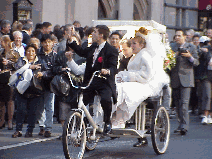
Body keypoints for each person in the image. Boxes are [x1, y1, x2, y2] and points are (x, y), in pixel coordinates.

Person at [112, 27, 170, 147]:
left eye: (134, 43)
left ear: (142, 45)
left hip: (144, 84)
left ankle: (121, 119)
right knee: (117, 86)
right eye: (131, 43)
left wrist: (129, 76)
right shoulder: (135, 56)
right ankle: (116, 118)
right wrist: (123, 75)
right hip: (135, 82)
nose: (131, 45)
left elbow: (146, 75)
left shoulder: (145, 55)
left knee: (125, 89)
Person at [67, 25, 119, 135]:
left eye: (95, 32)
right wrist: (71, 40)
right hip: (90, 81)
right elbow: (81, 52)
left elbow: (114, 67)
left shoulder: (111, 50)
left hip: (104, 81)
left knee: (106, 99)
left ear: (101, 35)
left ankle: (107, 121)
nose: (92, 34)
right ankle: (80, 122)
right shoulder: (94, 46)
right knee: (78, 100)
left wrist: (107, 70)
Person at [170, 29, 199, 135]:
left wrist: (190, 57)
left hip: (187, 79)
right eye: (176, 36)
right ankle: (180, 124)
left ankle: (184, 126)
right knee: (177, 104)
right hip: (175, 78)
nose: (177, 37)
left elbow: (196, 62)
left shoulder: (192, 47)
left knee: (184, 103)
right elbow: (168, 62)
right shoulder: (172, 47)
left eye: (179, 36)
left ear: (184, 37)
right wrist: (175, 55)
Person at [12, 44, 43, 138]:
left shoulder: (40, 61)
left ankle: (30, 130)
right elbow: (17, 69)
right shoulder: (21, 60)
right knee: (20, 110)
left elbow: (45, 70)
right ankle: (18, 130)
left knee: (32, 112)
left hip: (35, 90)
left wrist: (42, 73)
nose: (31, 53)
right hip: (22, 90)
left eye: (33, 51)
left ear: (35, 53)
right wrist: (29, 67)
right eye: (29, 51)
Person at [53, 46, 85, 127]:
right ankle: (65, 132)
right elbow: (54, 68)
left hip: (78, 86)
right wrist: (62, 69)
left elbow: (81, 70)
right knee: (63, 111)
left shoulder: (83, 55)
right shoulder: (61, 54)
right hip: (64, 85)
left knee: (78, 109)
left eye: (74, 42)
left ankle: (77, 129)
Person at [36, 34, 56, 137]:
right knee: (39, 107)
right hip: (38, 84)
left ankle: (48, 128)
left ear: (53, 43)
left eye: (49, 42)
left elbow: (54, 71)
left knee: (49, 107)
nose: (47, 44)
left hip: (50, 85)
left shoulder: (55, 56)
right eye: (45, 42)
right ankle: (41, 126)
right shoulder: (38, 54)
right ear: (42, 43)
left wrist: (43, 74)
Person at [0, 35, 19, 130]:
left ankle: (10, 121)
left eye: (2, 41)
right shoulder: (1, 52)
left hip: (10, 78)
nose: (1, 43)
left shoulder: (14, 53)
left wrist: (8, 63)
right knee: (1, 101)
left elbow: (18, 65)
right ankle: (2, 120)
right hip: (1, 78)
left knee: (10, 100)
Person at [192, 35, 212, 124]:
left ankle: (210, 115)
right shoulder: (206, 50)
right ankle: (205, 115)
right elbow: (200, 56)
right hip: (206, 75)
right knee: (207, 95)